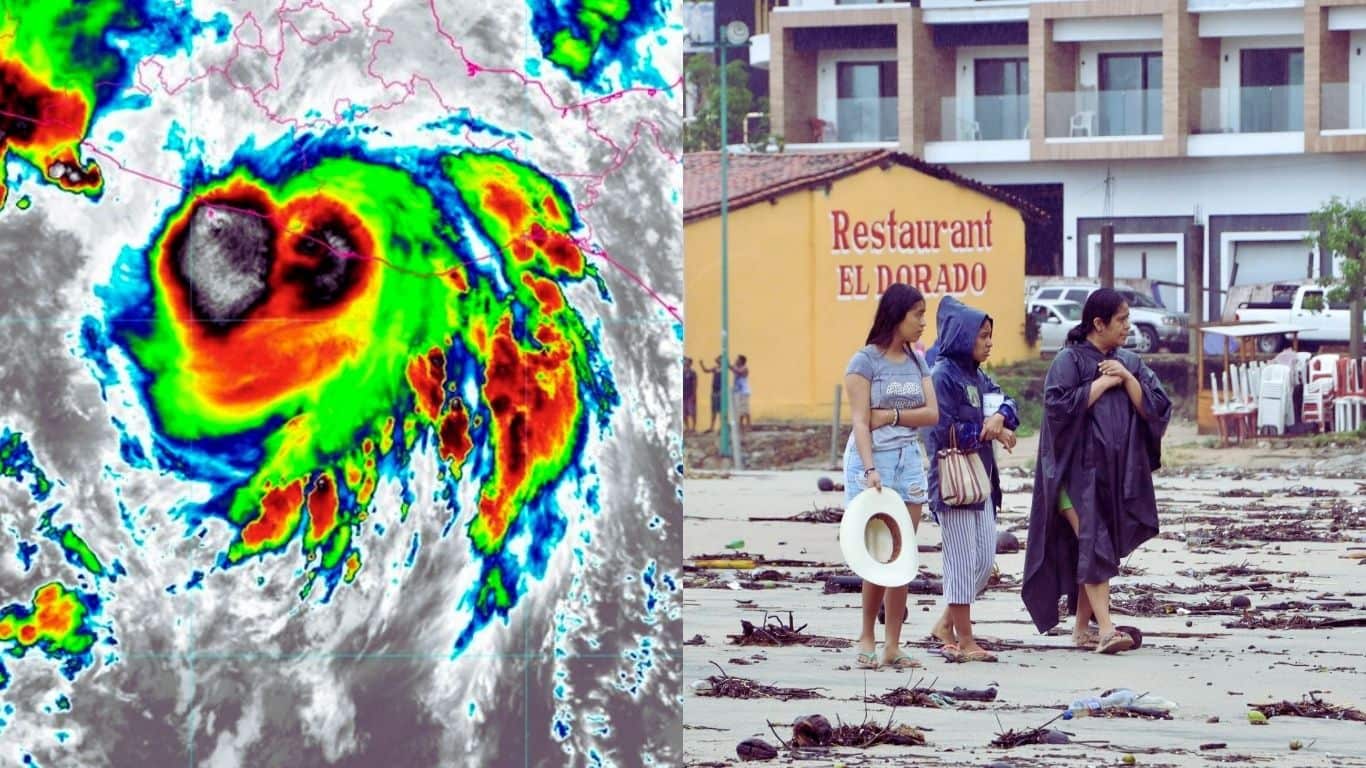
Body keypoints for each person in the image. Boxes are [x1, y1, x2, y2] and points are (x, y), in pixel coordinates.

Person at [1021, 289, 1171, 654]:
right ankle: (1106, 629)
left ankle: (1081, 630)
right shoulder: (1069, 361)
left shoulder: (1129, 362)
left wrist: (1128, 379)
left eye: (1128, 319)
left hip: (1115, 476)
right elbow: (1057, 409)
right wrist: (1101, 384)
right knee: (1093, 539)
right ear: (1098, 323)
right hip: (1071, 476)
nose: (1127, 326)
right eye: (1121, 320)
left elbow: (1157, 407)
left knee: (1097, 546)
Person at [843, 284, 940, 670]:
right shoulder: (864, 362)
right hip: (873, 461)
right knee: (877, 555)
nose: (922, 323)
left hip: (909, 461)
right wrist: (870, 471)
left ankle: (893, 644)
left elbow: (932, 413)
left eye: (924, 314)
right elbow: (861, 422)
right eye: (917, 314)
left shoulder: (918, 362)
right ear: (896, 314)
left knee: (902, 554)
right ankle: (867, 634)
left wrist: (896, 416)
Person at [925, 297, 1018, 663]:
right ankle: (965, 641)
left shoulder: (978, 376)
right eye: (983, 336)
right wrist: (987, 430)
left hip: (982, 483)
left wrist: (1001, 418)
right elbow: (940, 433)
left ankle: (945, 625)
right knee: (963, 562)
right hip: (954, 484)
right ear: (964, 337)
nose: (989, 343)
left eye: (990, 336)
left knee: (983, 561)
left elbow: (1008, 403)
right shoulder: (942, 377)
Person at [699, 356, 723, 433]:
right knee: (713, 410)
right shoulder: (715, 368)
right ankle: (711, 427)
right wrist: (701, 364)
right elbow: (706, 370)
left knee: (721, 411)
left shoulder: (724, 368)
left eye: (720, 359)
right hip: (714, 391)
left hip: (721, 391)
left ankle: (721, 427)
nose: (718, 360)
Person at [730, 355, 751, 431]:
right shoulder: (736, 367)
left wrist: (730, 366)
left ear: (741, 361)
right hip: (738, 391)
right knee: (740, 410)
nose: (736, 360)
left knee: (745, 409)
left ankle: (748, 426)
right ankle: (741, 426)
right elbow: (733, 369)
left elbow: (739, 372)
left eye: (737, 359)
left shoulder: (745, 368)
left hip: (744, 392)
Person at [683, 357, 698, 433]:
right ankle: (687, 427)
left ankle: (693, 427)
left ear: (690, 363)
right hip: (683, 395)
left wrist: (694, 394)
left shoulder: (693, 373)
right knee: (684, 413)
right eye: (685, 361)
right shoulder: (682, 372)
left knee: (692, 412)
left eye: (687, 361)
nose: (686, 362)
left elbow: (695, 384)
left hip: (690, 395)